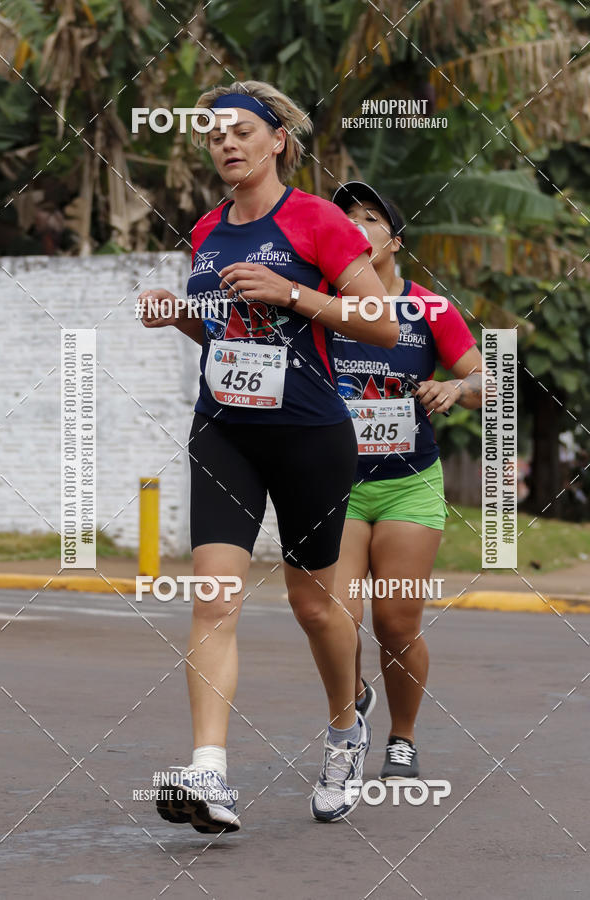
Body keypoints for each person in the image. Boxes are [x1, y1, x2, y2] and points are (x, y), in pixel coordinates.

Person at [138, 85, 399, 832]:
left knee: (314, 606)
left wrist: (291, 292)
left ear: (278, 139)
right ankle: (208, 772)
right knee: (214, 598)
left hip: (309, 434)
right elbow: (223, 332)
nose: (227, 143)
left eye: (243, 131)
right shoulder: (207, 228)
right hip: (224, 431)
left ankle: (346, 728)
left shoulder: (316, 220)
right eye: (215, 133)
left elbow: (380, 323)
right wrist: (181, 315)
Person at [331, 181, 483, 780]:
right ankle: (352, 703)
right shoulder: (321, 302)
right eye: (345, 217)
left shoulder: (430, 309)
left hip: (409, 482)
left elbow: (490, 382)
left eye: (370, 218)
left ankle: (402, 737)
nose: (355, 226)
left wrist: (457, 386)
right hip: (335, 485)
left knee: (395, 624)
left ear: (395, 240)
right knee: (334, 618)